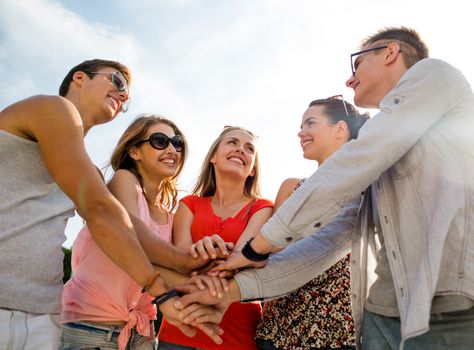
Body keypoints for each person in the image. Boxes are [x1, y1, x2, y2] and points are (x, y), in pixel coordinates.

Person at [176, 27, 474, 350]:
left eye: (356, 64)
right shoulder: (372, 151)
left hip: (451, 310)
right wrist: (234, 290)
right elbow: (326, 245)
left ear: (390, 53)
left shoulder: (434, 76)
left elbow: (353, 163)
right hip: (380, 318)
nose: (349, 80)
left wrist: (254, 248)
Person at [0, 59, 221, 350]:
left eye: (127, 94)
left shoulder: (89, 171)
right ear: (79, 78)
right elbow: (104, 215)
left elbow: (123, 229)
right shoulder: (51, 108)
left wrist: (200, 279)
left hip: (42, 313)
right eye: (117, 82)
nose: (124, 95)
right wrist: (171, 281)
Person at [60, 114, 188, 349]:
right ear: (134, 151)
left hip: (142, 332)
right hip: (92, 326)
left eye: (177, 142)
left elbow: (173, 271)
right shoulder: (123, 181)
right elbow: (135, 242)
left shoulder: (173, 215)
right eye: (160, 141)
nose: (172, 149)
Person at [255, 97, 369, 350]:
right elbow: (271, 249)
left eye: (310, 123)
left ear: (340, 129)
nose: (301, 132)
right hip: (280, 328)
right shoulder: (291, 187)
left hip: (340, 328)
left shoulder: (367, 186)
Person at [158, 126, 273, 350]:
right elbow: (179, 262)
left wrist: (198, 256)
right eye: (232, 142)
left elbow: (238, 263)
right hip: (180, 331)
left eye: (249, 148)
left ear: (252, 170)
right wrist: (192, 255)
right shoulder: (188, 204)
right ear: (213, 157)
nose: (241, 149)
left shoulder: (263, 208)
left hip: (237, 336)